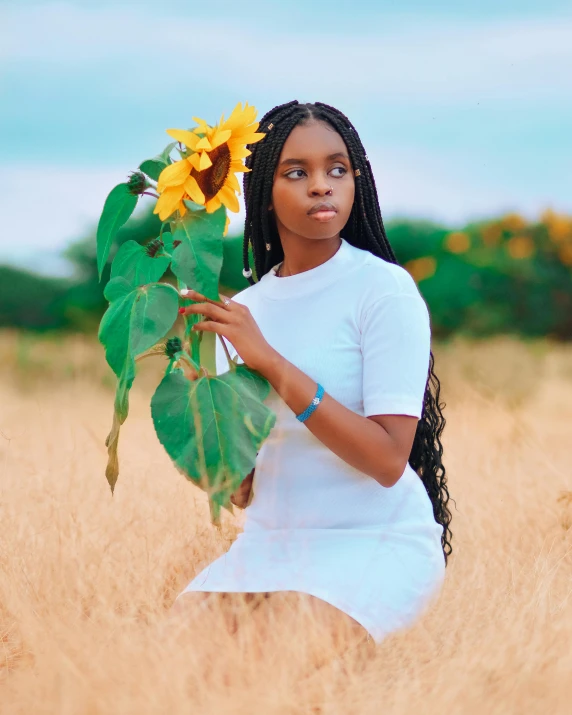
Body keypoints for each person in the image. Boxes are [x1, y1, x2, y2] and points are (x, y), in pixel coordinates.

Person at [172, 100, 453, 654]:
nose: (321, 185)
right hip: (268, 548)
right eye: (296, 172)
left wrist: (272, 363)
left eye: (337, 169)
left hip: (373, 544)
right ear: (261, 191)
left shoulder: (384, 291)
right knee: (162, 675)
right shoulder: (242, 312)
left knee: (264, 669)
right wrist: (194, 407)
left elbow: (387, 459)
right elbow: (242, 491)